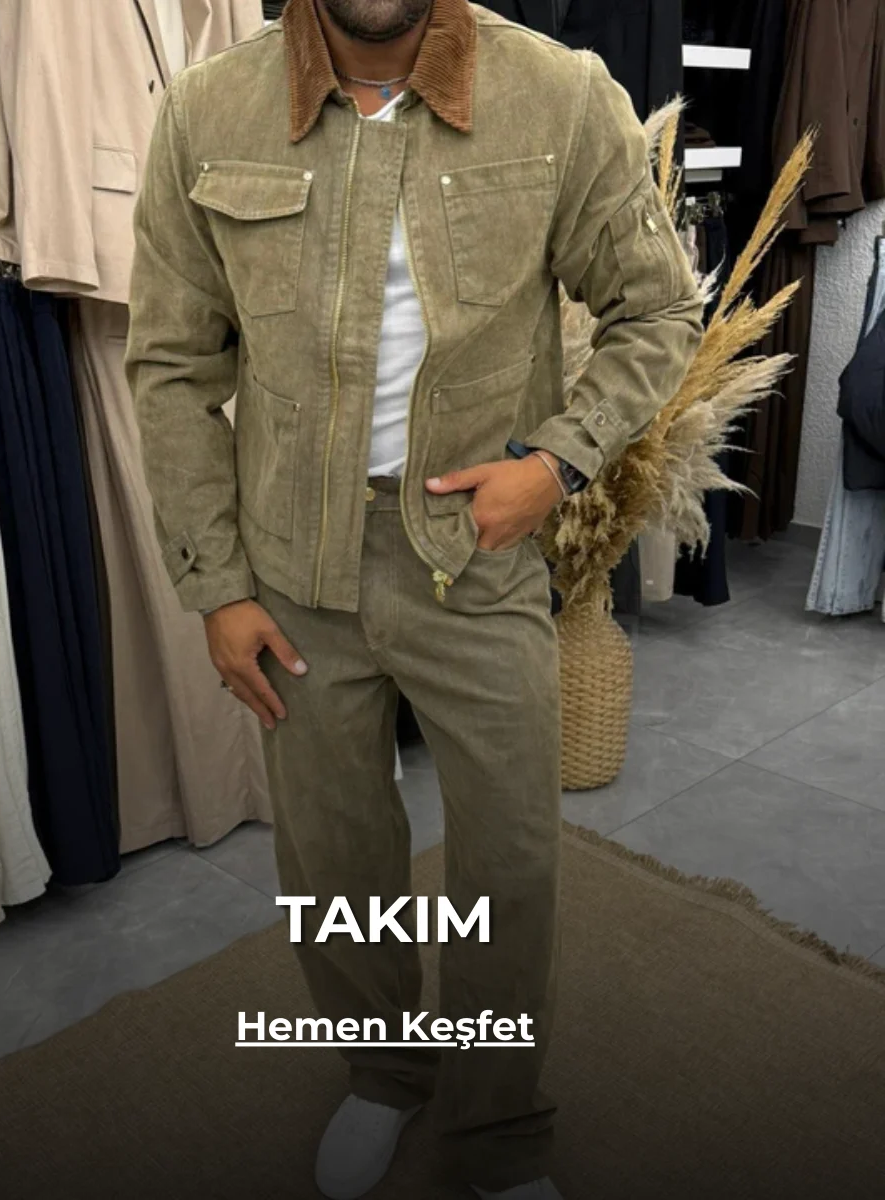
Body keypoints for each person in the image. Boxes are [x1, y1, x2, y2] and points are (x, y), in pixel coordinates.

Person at [125, 0, 702, 1194]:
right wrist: (215, 584)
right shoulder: (206, 112)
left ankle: (495, 1130)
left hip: (477, 563)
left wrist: (555, 464)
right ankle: (382, 1072)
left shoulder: (558, 95)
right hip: (291, 570)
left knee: (509, 862)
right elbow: (173, 365)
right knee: (331, 859)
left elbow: (657, 308)